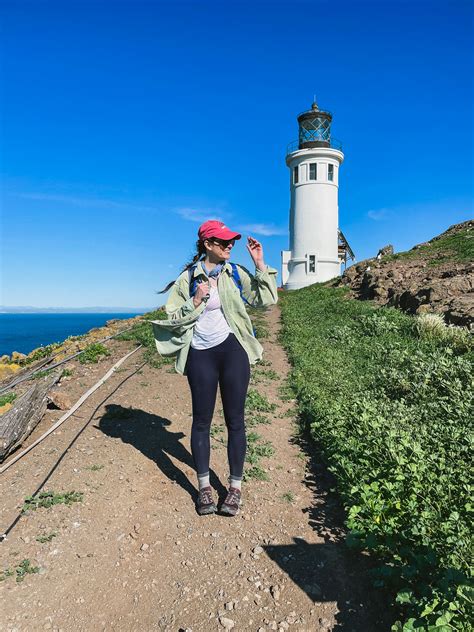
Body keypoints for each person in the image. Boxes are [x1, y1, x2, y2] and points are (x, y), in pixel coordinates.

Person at [153, 219, 278, 516]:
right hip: (200, 353)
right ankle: (205, 488)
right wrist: (195, 301)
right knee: (201, 421)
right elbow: (172, 317)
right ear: (208, 245)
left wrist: (260, 263)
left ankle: (235, 489)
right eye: (223, 242)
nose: (230, 246)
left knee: (236, 421)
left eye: (231, 241)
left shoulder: (235, 272)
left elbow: (267, 299)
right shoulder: (187, 279)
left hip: (233, 350)